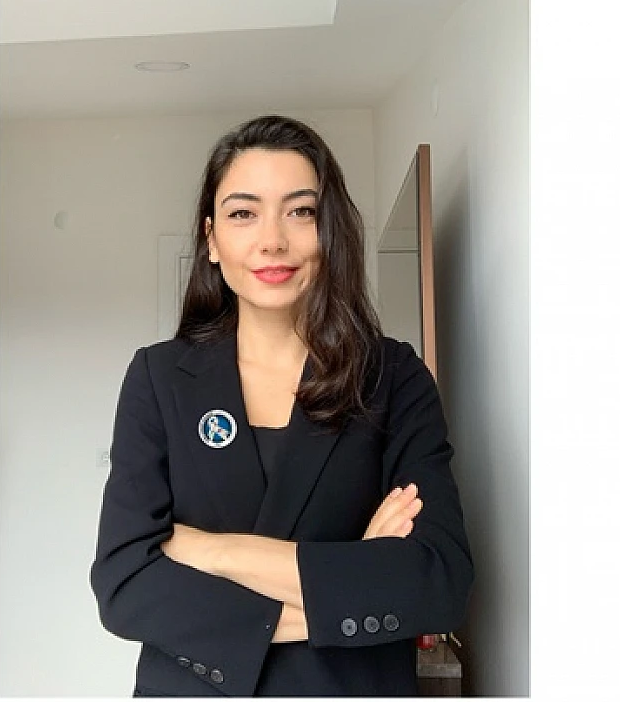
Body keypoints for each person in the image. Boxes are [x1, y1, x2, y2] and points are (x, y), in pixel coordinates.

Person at [89, 115, 473, 697]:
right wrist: (352, 576)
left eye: (301, 211)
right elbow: (124, 586)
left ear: (332, 230)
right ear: (212, 238)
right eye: (243, 213)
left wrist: (209, 550)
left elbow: (438, 582)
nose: (272, 240)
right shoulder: (160, 378)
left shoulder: (391, 376)